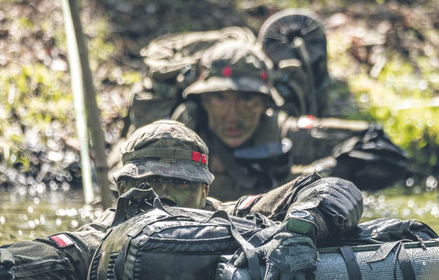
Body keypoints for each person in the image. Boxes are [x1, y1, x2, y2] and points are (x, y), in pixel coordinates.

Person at [0, 120, 363, 280]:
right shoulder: (94, 247)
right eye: (150, 183)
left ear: (205, 189)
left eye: (179, 184)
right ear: (122, 188)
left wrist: (300, 230)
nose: (164, 194)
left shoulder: (238, 217)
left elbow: (336, 188)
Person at [127, 38, 408, 201]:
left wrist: (318, 174)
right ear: (202, 100)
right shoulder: (180, 134)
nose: (232, 115)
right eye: (220, 98)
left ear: (265, 103)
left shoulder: (281, 131)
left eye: (247, 99)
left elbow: (384, 150)